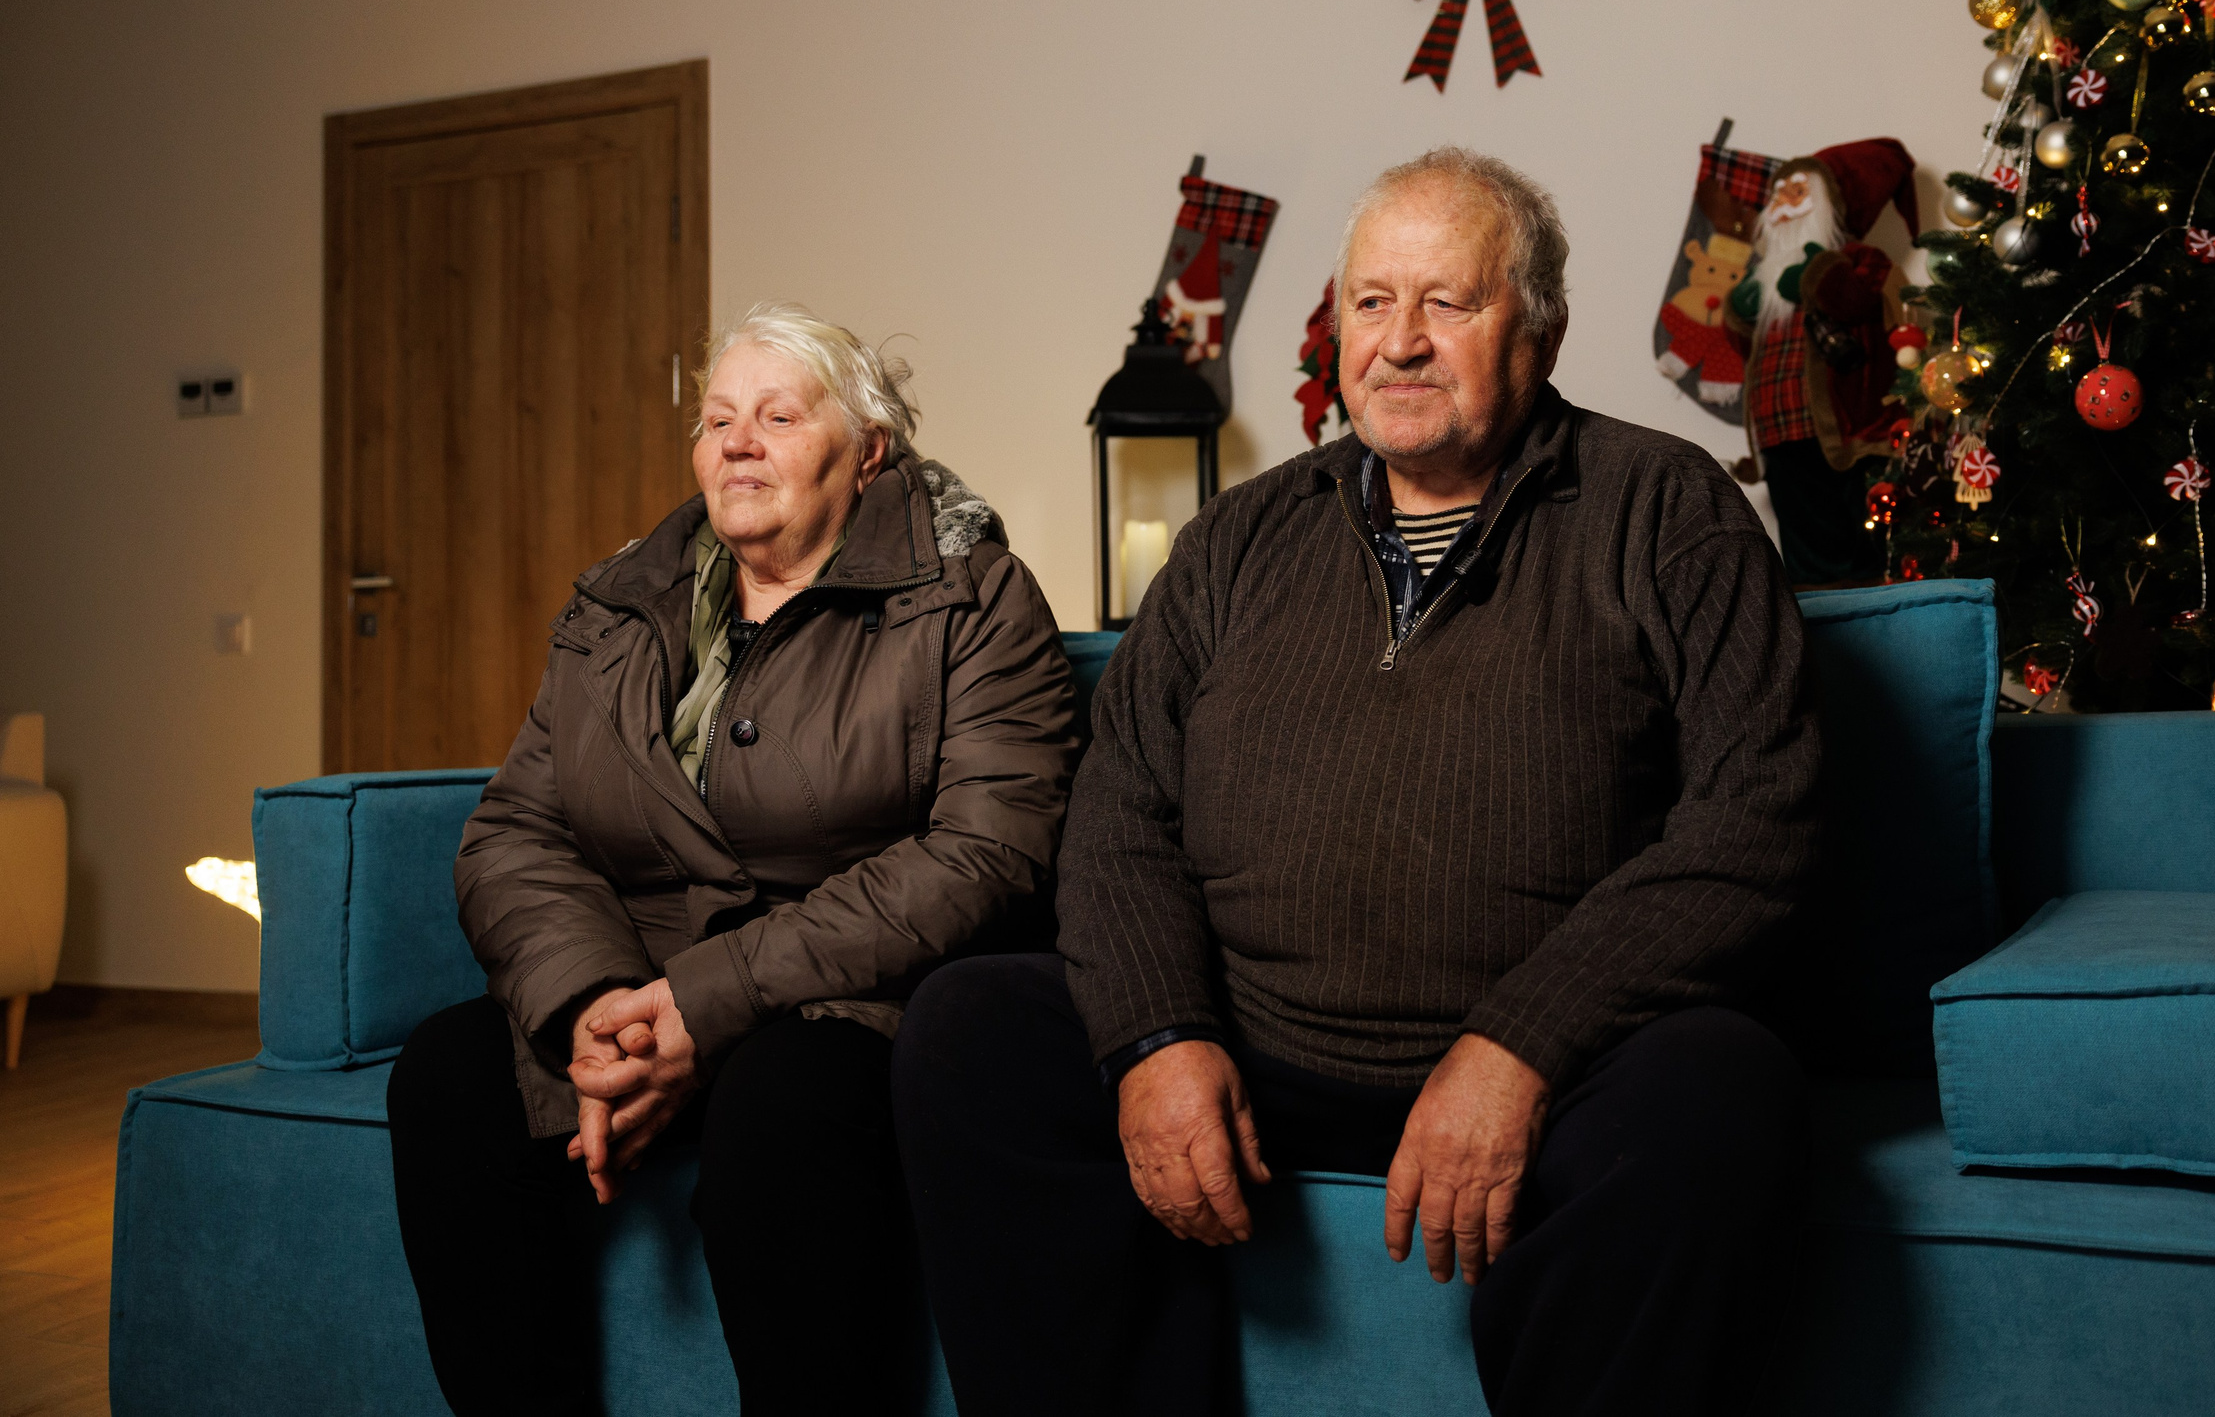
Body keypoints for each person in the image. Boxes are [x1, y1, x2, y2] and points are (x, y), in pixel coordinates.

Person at [896, 149, 1824, 1416]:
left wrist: (1521, 1043)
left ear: (1539, 328)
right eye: (1372, 303)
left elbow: (1756, 821)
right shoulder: (1237, 537)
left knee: (1722, 1090)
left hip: (1550, 1063)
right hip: (1253, 1045)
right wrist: (1160, 1037)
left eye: (1449, 301)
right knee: (970, 1033)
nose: (1401, 342)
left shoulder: (1667, 513)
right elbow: (1119, 811)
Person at [386, 302, 1078, 1416]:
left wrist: (701, 1006)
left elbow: (985, 853)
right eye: (716, 420)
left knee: (786, 1111)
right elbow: (517, 830)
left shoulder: (973, 597)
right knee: (450, 1079)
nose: (736, 443)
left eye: (777, 415)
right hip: (631, 982)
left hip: (846, 1001)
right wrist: (593, 1010)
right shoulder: (615, 608)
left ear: (869, 454)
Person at [1724, 139, 1920, 585]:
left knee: (1862, 547)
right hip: (1778, 433)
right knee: (1804, 553)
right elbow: (1746, 350)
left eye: (1798, 192)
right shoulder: (1764, 274)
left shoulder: (1860, 259)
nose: (1784, 204)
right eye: (1779, 194)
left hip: (1846, 434)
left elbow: (1861, 304)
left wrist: (1817, 273)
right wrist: (1740, 309)